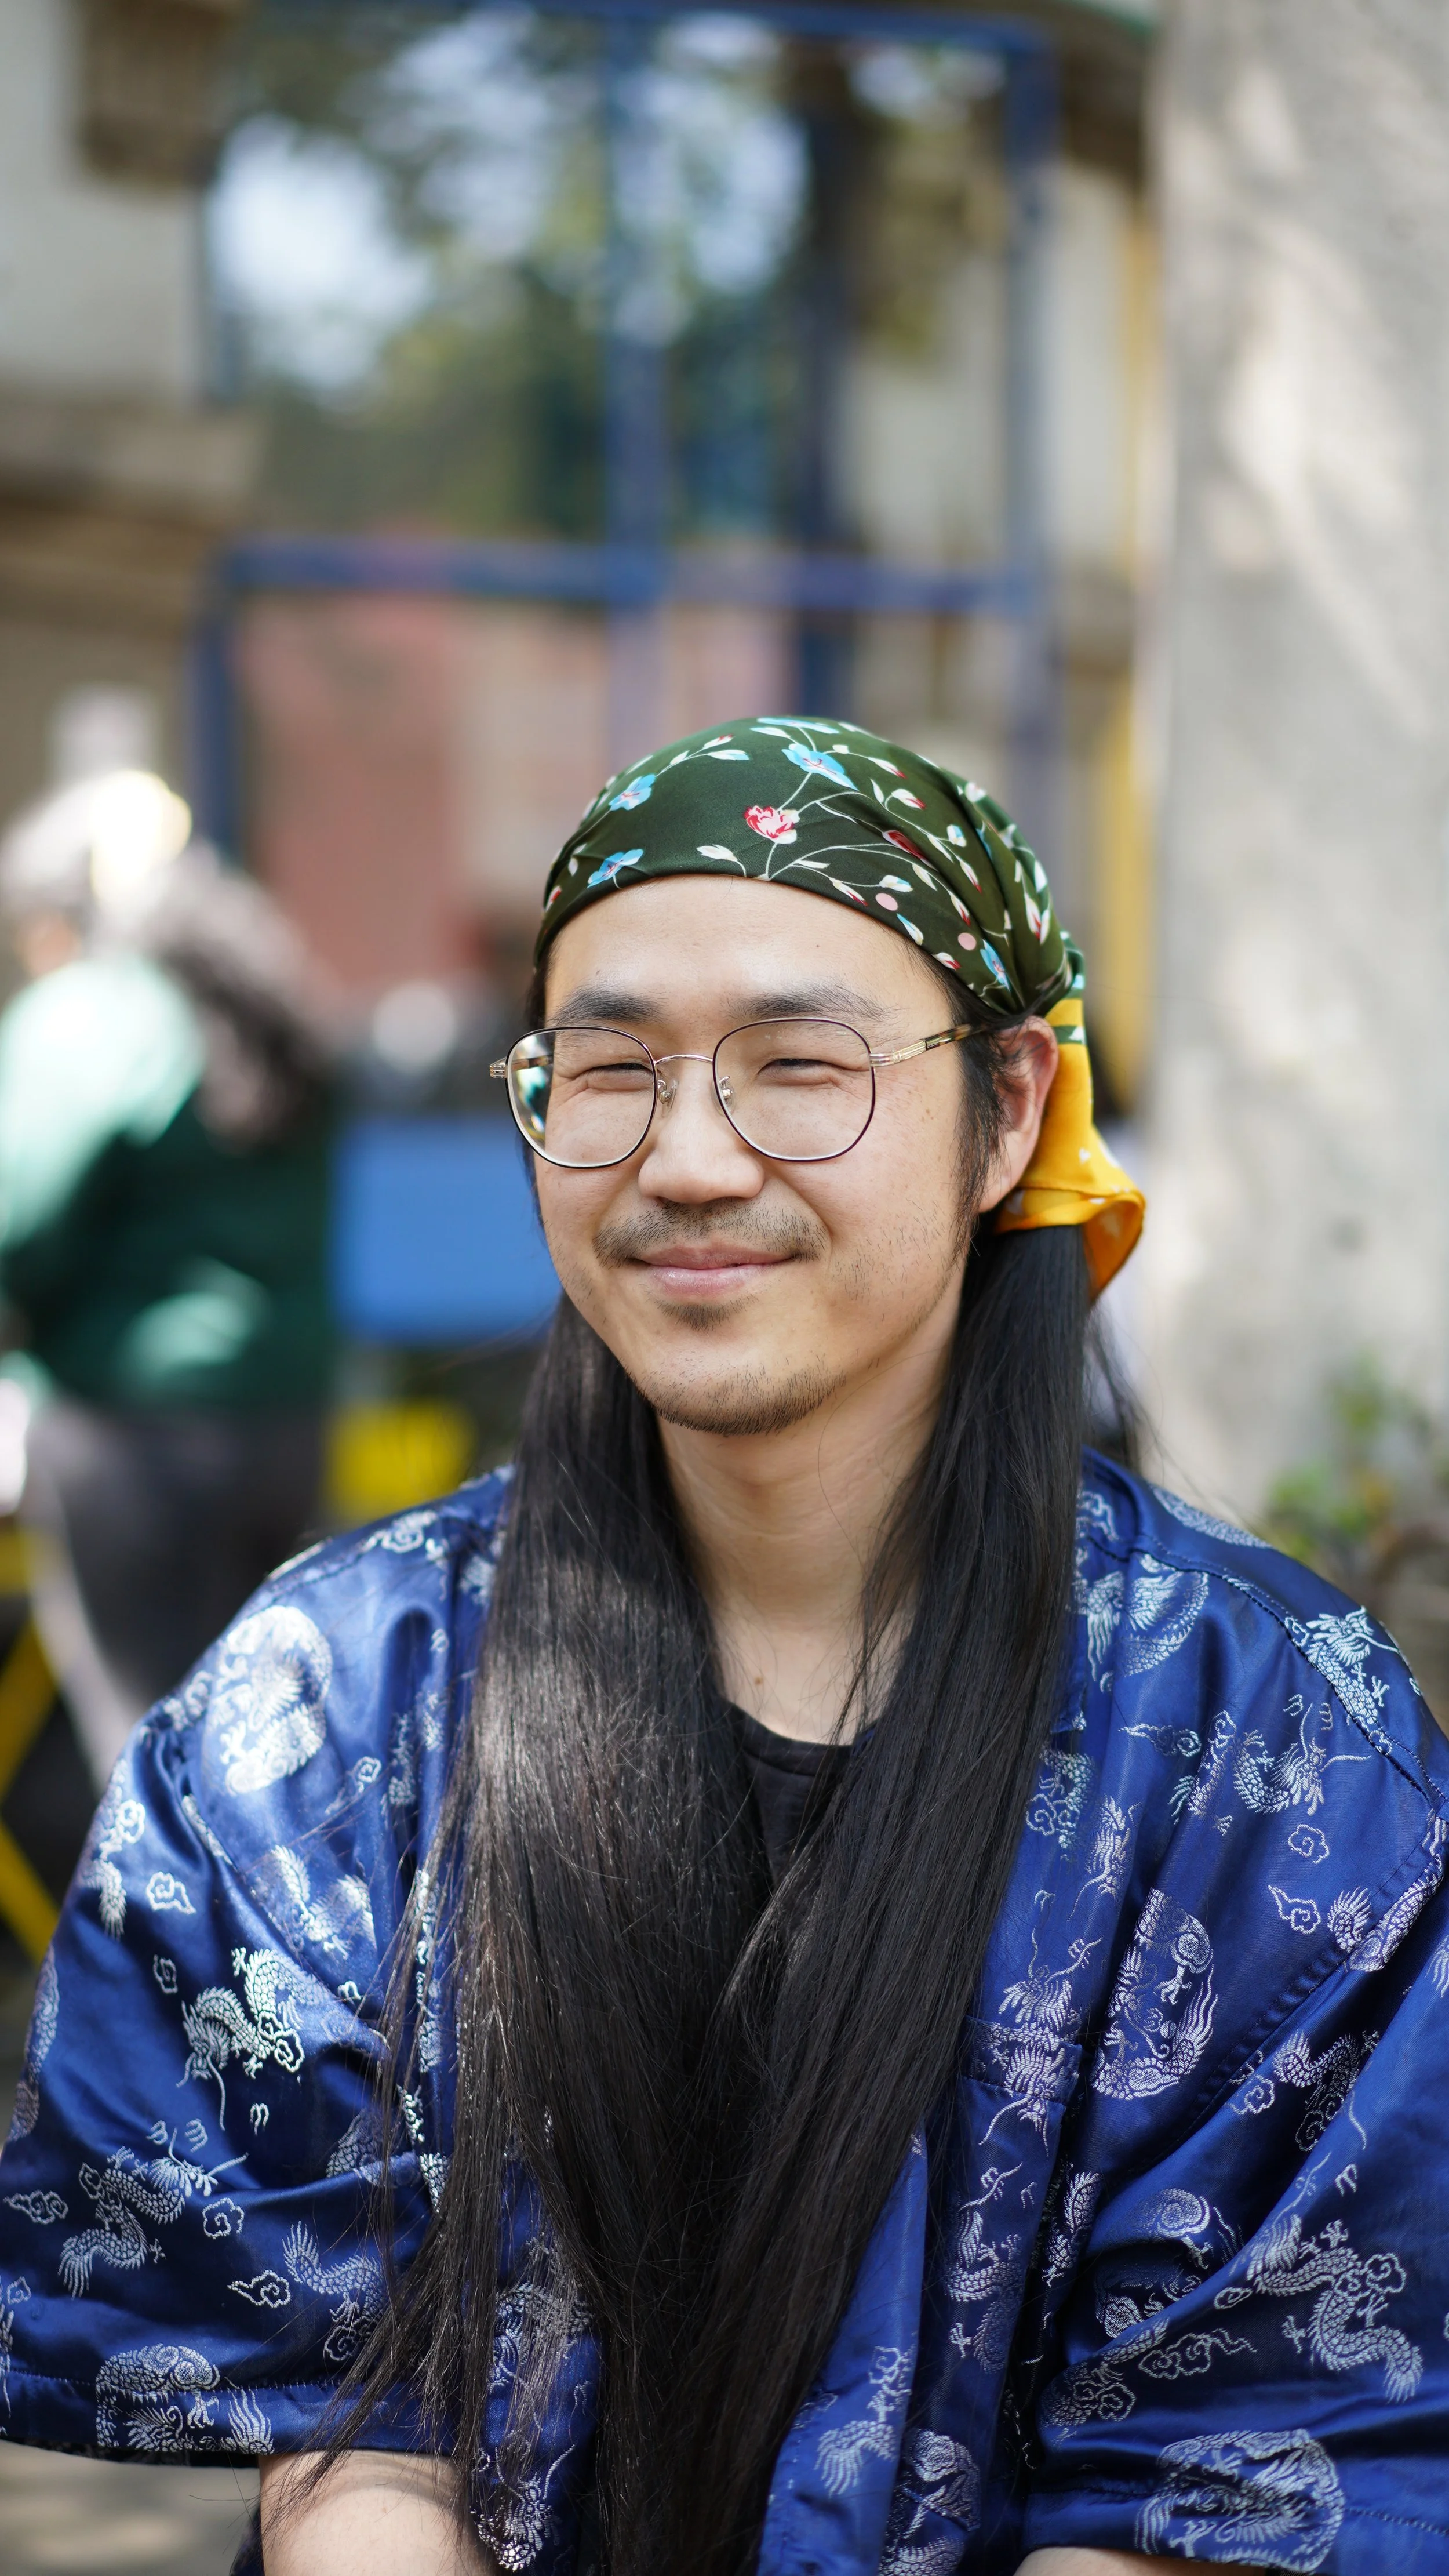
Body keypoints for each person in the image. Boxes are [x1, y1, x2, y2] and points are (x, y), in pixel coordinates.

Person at [0, 717, 1445, 2576]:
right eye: (605, 1069)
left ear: (1006, 1112)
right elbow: (345, 2431)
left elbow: (1235, 2478)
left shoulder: (1281, 1752)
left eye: (798, 1065)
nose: (685, 1160)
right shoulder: (328, 1705)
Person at [0, 770, 335, 1788]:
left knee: (147, 1755)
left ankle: (162, 1950)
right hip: (282, 1421)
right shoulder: (264, 1005)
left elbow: (16, 1221)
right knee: (261, 1741)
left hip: (130, 1443)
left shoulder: (97, 1012)